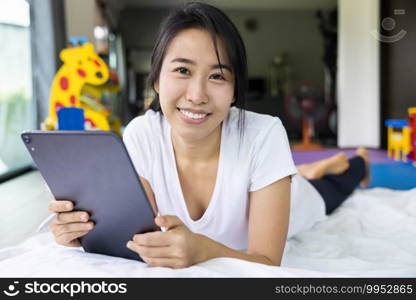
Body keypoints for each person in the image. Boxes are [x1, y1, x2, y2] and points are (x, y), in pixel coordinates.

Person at [47, 2, 370, 269]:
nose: (197, 95)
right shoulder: (142, 134)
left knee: (331, 188)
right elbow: (133, 235)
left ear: (233, 91)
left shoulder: (264, 134)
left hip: (299, 201)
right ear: (157, 79)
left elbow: (268, 262)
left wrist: (203, 250)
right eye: (183, 70)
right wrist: (81, 232)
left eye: (217, 75)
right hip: (268, 178)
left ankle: (356, 164)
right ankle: (308, 170)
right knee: (300, 176)